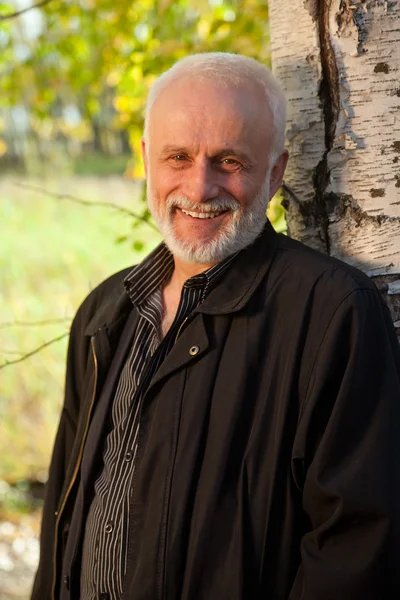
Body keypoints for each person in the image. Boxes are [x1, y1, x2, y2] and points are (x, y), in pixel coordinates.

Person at [32, 52, 400, 600]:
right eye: (177, 156)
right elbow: (64, 509)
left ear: (275, 171)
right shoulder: (105, 310)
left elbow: (357, 548)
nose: (200, 188)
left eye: (229, 161)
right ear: (146, 160)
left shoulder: (333, 312)